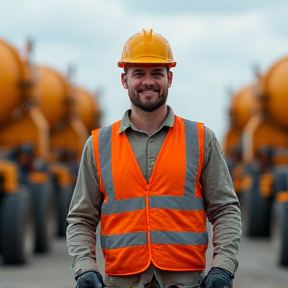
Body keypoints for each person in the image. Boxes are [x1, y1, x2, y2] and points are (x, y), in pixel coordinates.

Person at [66, 29, 242, 288]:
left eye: (156, 73)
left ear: (169, 78)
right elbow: (81, 218)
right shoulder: (98, 145)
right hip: (122, 282)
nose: (148, 82)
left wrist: (223, 268)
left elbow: (226, 209)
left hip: (187, 282)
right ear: (124, 80)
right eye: (139, 73)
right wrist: (85, 269)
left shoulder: (202, 139)